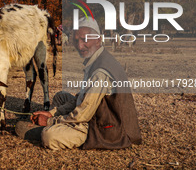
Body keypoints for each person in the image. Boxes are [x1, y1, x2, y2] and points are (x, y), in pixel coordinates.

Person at [15, 17, 142, 150]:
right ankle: (57, 126)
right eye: (77, 40)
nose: (80, 46)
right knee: (61, 96)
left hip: (105, 126)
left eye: (85, 39)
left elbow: (83, 114)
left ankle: (49, 129)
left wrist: (49, 121)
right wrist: (52, 113)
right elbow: (82, 98)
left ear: (98, 39)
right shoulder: (96, 58)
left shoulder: (101, 71)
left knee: (49, 136)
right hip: (94, 113)